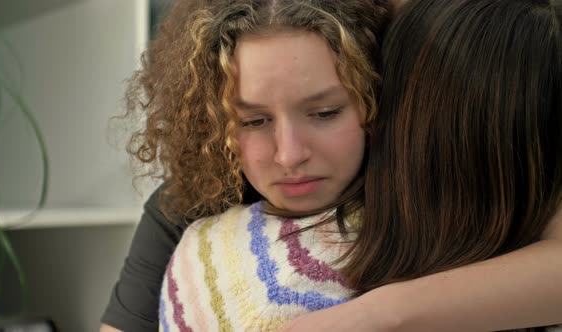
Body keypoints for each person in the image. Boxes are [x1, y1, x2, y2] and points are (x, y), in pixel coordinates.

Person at [101, 0, 562, 331]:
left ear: (377, 95)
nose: (290, 154)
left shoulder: (436, 179)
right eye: (253, 120)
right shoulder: (190, 206)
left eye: (325, 113)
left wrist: (372, 316)